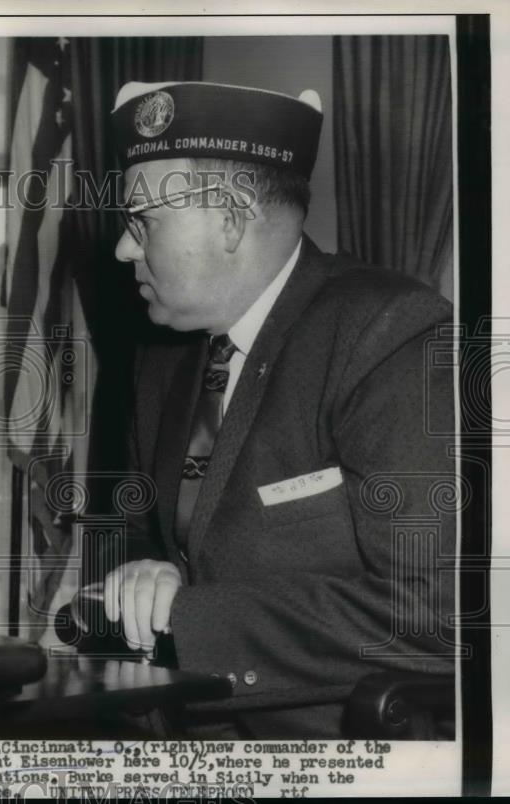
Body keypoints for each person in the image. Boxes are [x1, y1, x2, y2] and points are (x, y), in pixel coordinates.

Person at [99, 81, 456, 738]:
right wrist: (147, 574)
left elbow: (431, 612)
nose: (124, 248)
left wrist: (187, 616)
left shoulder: (387, 334)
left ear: (231, 219)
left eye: (142, 221)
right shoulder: (161, 360)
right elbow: (155, 545)